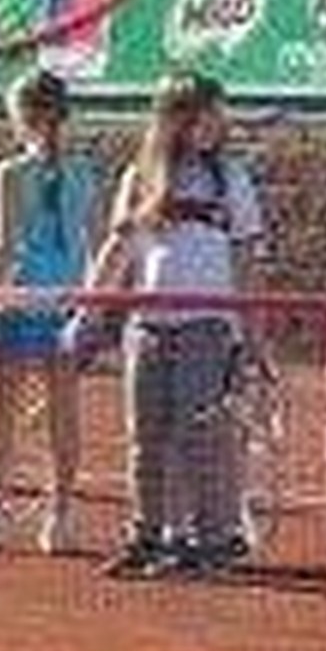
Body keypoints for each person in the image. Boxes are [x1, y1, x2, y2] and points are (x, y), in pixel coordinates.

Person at [105, 71, 266, 577]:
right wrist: (86, 312)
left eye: (219, 114)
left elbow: (244, 259)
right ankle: (148, 534)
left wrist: (249, 334)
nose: (217, 123)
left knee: (200, 433)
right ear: (176, 118)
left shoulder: (231, 179)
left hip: (207, 325)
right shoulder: (139, 178)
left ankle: (212, 537)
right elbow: (120, 250)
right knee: (146, 434)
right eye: (206, 113)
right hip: (148, 326)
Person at [0, 68, 100, 557]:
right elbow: (92, 243)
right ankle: (60, 517)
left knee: (2, 408)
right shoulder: (84, 172)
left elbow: (5, 245)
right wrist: (92, 303)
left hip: (20, 300)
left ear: (23, 117)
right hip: (66, 300)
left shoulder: (11, 173)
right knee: (64, 408)